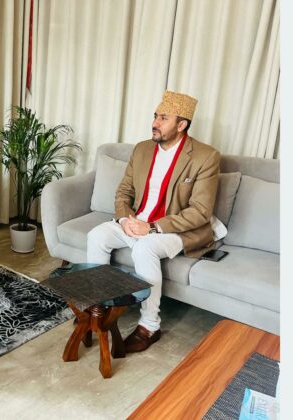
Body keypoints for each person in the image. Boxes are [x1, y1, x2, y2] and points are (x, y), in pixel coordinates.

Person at [86, 91, 220, 353]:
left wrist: (152, 227)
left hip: (176, 229)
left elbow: (200, 211)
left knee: (145, 248)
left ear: (181, 125)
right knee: (96, 236)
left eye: (163, 118)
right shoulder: (142, 149)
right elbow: (124, 192)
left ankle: (149, 326)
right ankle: (98, 309)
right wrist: (124, 219)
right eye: (155, 116)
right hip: (137, 220)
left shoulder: (205, 156)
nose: (155, 123)